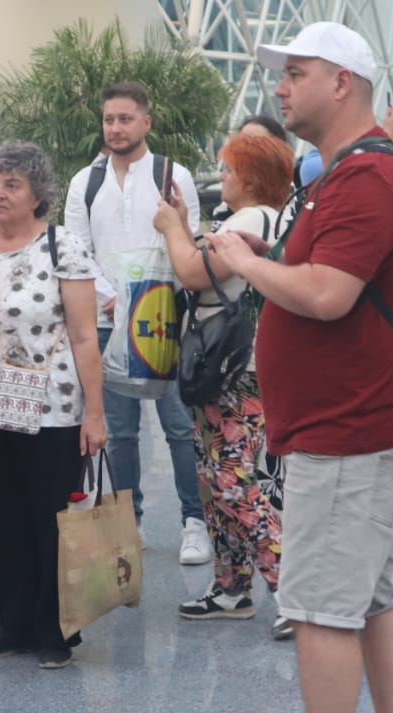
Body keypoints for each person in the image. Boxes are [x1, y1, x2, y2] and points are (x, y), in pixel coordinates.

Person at [208, 22, 393, 713]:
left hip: (347, 436)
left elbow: (330, 295)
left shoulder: (365, 177)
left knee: (320, 612)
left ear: (341, 83)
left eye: (295, 73)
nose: (279, 87)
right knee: (378, 595)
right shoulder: (358, 170)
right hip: (363, 427)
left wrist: (244, 262)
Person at [0, 142, 107, 670]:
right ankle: (11, 626)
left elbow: (84, 336)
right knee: (0, 517)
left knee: (48, 519)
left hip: (51, 406)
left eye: (12, 185)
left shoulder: (63, 247)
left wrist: (94, 414)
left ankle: (54, 630)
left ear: (37, 196)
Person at [63, 81, 213, 565]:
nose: (116, 128)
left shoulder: (172, 175)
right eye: (109, 119)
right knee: (120, 432)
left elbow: (188, 243)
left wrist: (142, 300)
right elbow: (76, 251)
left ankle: (194, 521)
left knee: (179, 427)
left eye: (125, 119)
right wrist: (110, 298)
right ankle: (129, 523)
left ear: (146, 122)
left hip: (162, 319)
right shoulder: (85, 182)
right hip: (107, 321)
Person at [153, 132, 294, 640]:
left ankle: (289, 591)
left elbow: (194, 273)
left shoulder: (250, 219)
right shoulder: (268, 219)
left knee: (231, 479)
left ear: (251, 179)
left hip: (232, 369)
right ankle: (232, 586)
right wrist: (185, 226)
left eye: (229, 171)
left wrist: (172, 228)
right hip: (238, 365)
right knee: (214, 479)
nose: (223, 179)